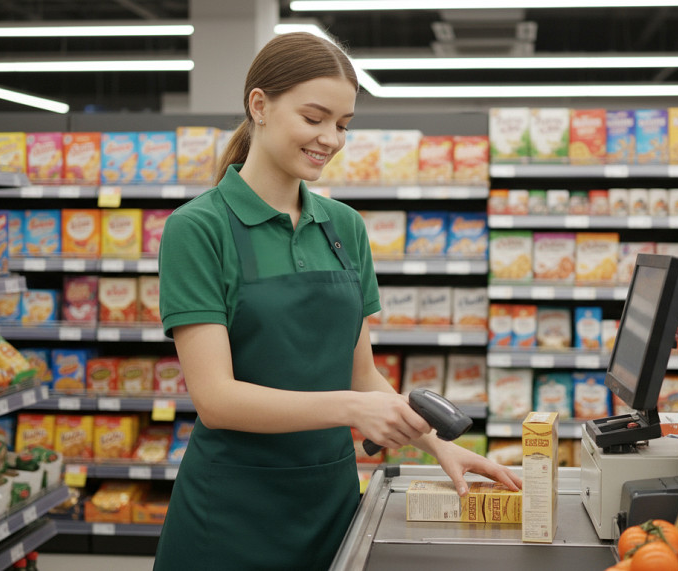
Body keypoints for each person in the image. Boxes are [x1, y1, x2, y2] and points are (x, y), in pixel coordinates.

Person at [153, 32, 521, 570]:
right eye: (314, 118)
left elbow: (362, 374)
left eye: (343, 125)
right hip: (231, 515)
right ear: (260, 105)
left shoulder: (343, 226)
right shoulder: (197, 229)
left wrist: (435, 445)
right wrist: (352, 409)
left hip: (331, 502)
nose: (331, 138)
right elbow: (216, 398)